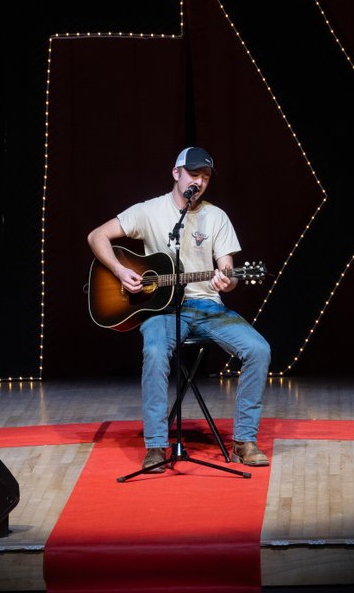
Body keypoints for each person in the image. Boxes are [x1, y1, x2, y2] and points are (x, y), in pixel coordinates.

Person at [87, 147, 272, 472]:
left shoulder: (217, 217)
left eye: (205, 177)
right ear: (177, 174)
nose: (199, 181)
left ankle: (244, 440)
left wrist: (226, 281)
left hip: (207, 306)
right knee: (156, 352)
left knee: (259, 349)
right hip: (161, 310)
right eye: (194, 174)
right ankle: (157, 446)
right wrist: (120, 270)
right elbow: (97, 235)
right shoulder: (148, 211)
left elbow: (227, 270)